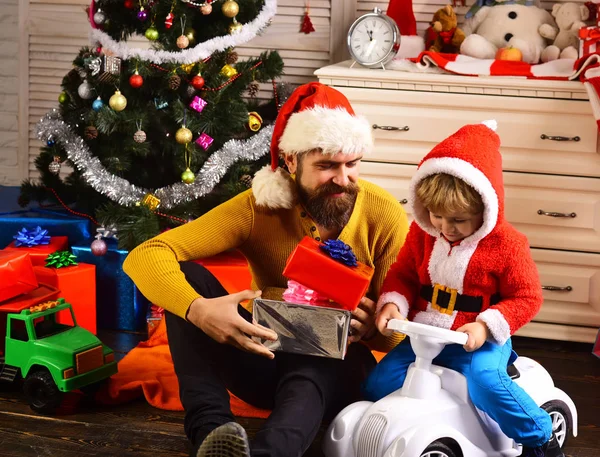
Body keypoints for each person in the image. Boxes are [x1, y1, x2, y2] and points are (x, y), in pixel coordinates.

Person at [123, 82, 409, 457]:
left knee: (316, 362)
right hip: (265, 355)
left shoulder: (383, 213)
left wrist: (376, 329)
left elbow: (401, 335)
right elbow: (145, 254)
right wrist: (199, 310)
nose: (343, 179)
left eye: (351, 164)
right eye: (326, 166)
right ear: (290, 161)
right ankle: (212, 435)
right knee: (188, 282)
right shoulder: (258, 208)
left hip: (337, 368)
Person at [362, 121, 564, 457]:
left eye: (458, 219)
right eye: (437, 216)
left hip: (478, 339)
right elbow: (403, 275)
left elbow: (528, 297)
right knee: (378, 384)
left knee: (487, 383)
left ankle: (540, 437)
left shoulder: (507, 244)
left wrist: (486, 325)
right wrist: (393, 304)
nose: (445, 227)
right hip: (426, 334)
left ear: (486, 207)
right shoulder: (423, 233)